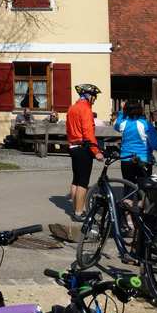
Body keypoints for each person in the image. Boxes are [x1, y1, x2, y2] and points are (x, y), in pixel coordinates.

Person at [66, 84, 104, 221]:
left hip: (73, 147)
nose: (95, 99)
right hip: (83, 148)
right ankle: (79, 212)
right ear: (89, 96)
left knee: (76, 179)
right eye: (95, 96)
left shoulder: (72, 108)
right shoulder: (86, 109)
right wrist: (96, 151)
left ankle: (75, 208)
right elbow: (88, 133)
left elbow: (69, 130)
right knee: (83, 182)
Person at [114, 100, 157, 190]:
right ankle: (139, 203)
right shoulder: (146, 124)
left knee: (128, 187)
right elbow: (155, 145)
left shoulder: (123, 124)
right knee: (144, 188)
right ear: (140, 110)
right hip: (143, 159)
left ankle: (128, 202)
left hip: (126, 159)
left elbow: (116, 125)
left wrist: (122, 111)